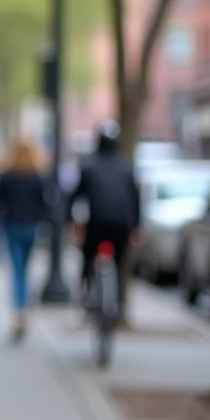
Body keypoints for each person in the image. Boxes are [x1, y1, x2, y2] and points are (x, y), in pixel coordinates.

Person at [67, 120, 141, 310]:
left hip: (96, 224)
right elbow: (136, 200)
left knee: (88, 255)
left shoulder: (88, 167)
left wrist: (70, 222)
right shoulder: (126, 169)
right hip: (121, 225)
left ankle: (86, 289)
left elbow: (75, 197)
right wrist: (136, 227)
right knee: (118, 261)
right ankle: (117, 301)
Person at [0, 139, 51, 342]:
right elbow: (44, 204)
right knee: (25, 271)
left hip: (12, 227)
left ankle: (19, 312)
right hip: (31, 227)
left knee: (17, 271)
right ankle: (23, 309)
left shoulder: (7, 176)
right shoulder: (37, 177)